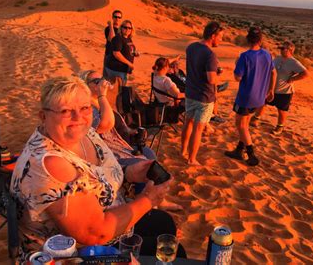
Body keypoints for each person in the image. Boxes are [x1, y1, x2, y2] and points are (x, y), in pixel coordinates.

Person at [10, 76, 183, 258]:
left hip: (111, 216)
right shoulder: (51, 164)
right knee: (174, 250)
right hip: (74, 252)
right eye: (65, 111)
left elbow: (97, 176)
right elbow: (95, 233)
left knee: (165, 225)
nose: (78, 118)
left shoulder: (87, 133)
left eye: (84, 108)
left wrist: (129, 173)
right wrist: (149, 199)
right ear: (43, 116)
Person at [80, 69, 183, 211]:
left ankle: (156, 198)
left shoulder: (99, 102)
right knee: (143, 163)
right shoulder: (87, 107)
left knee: (149, 154)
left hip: (120, 143)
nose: (102, 83)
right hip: (106, 152)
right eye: (96, 81)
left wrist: (129, 131)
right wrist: (103, 96)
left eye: (102, 79)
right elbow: (104, 125)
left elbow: (117, 124)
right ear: (86, 86)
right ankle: (147, 201)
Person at [224, 27, 275, 166]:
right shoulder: (267, 54)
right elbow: (273, 72)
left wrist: (236, 64)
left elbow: (237, 78)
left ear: (247, 39)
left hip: (246, 96)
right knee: (245, 123)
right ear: (260, 40)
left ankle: (251, 154)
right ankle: (239, 150)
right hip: (259, 97)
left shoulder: (245, 57)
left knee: (240, 125)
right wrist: (271, 90)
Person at [181, 21, 223, 165]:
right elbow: (211, 79)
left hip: (190, 92)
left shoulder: (191, 47)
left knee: (188, 123)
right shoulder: (210, 54)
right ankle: (192, 159)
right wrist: (219, 75)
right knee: (198, 129)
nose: (221, 40)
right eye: (220, 37)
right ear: (212, 36)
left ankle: (183, 151)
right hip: (204, 97)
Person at [255, 41, 308, 135]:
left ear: (290, 50)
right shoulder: (277, 58)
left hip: (284, 91)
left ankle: (279, 127)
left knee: (282, 110)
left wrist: (293, 79)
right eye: (280, 48)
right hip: (271, 88)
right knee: (263, 103)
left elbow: (305, 74)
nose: (281, 50)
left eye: (283, 48)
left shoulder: (294, 62)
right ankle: (255, 119)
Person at [105, 20, 139, 85]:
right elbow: (116, 54)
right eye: (125, 27)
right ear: (121, 28)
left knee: (121, 88)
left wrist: (134, 53)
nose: (127, 29)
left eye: (129, 28)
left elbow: (128, 49)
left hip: (123, 69)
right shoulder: (118, 38)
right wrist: (129, 64)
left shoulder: (128, 38)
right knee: (118, 91)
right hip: (116, 69)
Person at [103, 10, 122, 76]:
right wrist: (111, 25)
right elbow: (112, 39)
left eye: (119, 17)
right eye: (115, 17)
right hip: (109, 56)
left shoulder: (122, 30)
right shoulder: (108, 29)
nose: (117, 19)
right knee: (106, 78)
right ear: (112, 17)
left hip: (119, 58)